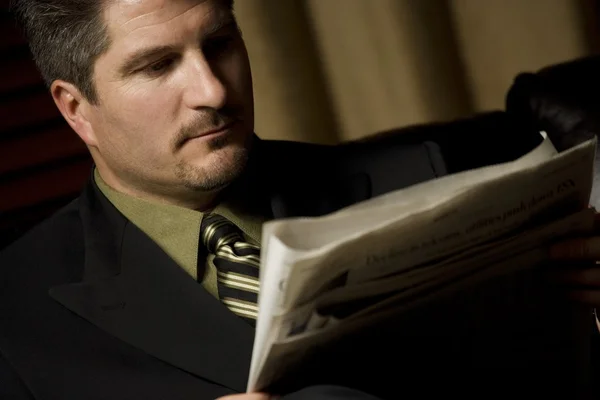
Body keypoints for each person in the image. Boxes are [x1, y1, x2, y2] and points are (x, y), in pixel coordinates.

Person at [2, 0, 600, 398]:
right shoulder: (15, 318)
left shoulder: (418, 176)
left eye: (220, 42)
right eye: (158, 66)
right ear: (76, 109)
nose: (212, 88)